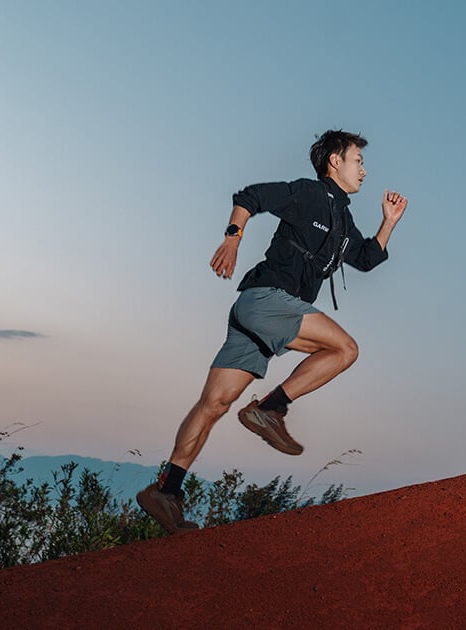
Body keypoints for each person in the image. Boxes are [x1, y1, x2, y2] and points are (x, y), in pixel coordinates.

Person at [137, 130, 407, 533]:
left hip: (258, 315)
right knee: (345, 349)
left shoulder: (343, 221)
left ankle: (166, 489)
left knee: (213, 404)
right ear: (335, 161)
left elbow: (366, 258)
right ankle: (270, 408)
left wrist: (388, 223)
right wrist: (232, 238)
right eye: (358, 161)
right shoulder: (308, 194)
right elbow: (250, 197)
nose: (364, 171)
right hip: (267, 300)